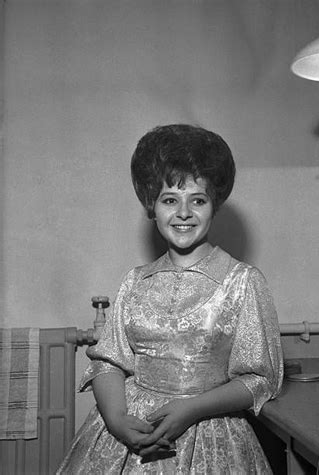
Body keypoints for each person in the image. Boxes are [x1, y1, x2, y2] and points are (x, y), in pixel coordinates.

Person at [57, 124, 283, 474]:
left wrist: (190, 409)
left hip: (209, 432)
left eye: (198, 199)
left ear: (215, 205)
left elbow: (259, 379)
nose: (183, 213)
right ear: (152, 204)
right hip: (128, 433)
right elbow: (108, 362)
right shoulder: (135, 281)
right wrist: (117, 420)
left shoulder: (242, 281)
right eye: (169, 200)